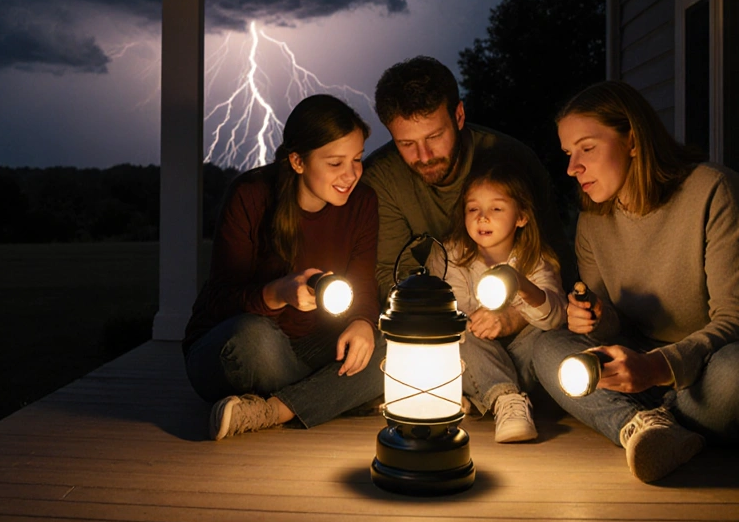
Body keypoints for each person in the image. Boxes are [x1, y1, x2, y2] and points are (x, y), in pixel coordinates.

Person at [532, 81, 739, 482]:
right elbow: (617, 328)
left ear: (633, 140)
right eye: (568, 154)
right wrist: (594, 317)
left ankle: (646, 419)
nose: (572, 167)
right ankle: (647, 429)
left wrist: (654, 368)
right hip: (669, 374)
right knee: (549, 346)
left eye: (587, 148)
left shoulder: (713, 190)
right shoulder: (594, 221)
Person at [184, 94, 384, 440]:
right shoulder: (250, 195)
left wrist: (363, 322)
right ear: (297, 161)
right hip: (238, 346)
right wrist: (276, 294)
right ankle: (333, 396)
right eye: (335, 163)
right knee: (253, 339)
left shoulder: (363, 203)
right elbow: (218, 301)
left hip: (313, 343)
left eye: (357, 159)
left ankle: (270, 410)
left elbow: (363, 285)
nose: (351, 175)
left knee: (391, 348)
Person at [362, 56, 573, 329]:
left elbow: (553, 261)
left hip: (530, 321)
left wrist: (514, 317)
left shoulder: (511, 159)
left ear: (459, 116)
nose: (424, 156)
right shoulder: (382, 178)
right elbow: (390, 273)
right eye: (406, 143)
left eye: (435, 136)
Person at [425, 161, 565, 442]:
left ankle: (482, 398)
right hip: (473, 357)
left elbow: (556, 315)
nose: (482, 218)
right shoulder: (449, 254)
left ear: (521, 216)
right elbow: (449, 315)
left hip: (520, 360)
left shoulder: (535, 260)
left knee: (545, 333)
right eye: (473, 209)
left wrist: (516, 300)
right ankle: (507, 401)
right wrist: (486, 320)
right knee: (456, 331)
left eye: (496, 209)